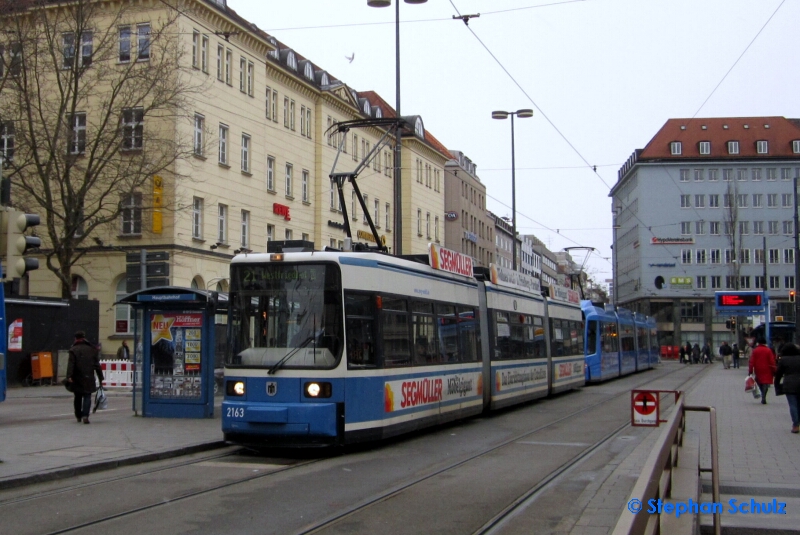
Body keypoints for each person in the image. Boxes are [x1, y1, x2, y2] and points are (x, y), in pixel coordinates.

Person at [66, 331, 104, 424]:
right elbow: (97, 365)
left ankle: (78, 415)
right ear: (84, 338)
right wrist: (100, 376)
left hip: (77, 377)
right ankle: (85, 415)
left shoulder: (73, 349)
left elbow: (71, 364)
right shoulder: (92, 349)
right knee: (87, 396)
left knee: (78, 396)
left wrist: (69, 376)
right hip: (88, 376)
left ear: (76, 338)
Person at [774, 343, 800, 434]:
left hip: (789, 384)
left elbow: (778, 374)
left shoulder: (784, 360)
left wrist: (776, 385)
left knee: (793, 405)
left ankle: (796, 425)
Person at [749, 335, 777, 405]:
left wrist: (750, 371)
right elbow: (772, 361)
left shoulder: (755, 350)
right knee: (766, 383)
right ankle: (764, 396)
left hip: (758, 369)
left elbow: (751, 361)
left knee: (759, 382)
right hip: (767, 369)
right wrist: (774, 369)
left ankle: (762, 393)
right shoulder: (768, 350)